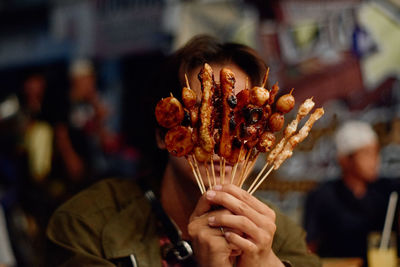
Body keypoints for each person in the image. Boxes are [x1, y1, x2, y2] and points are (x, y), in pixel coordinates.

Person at [46, 35, 321, 267]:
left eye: (244, 118)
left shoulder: (276, 234)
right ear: (163, 134)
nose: (223, 140)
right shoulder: (86, 224)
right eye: (204, 117)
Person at [304, 120, 399, 263]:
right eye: (366, 154)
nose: (375, 161)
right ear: (345, 160)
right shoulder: (322, 195)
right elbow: (309, 246)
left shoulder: (388, 190)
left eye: (376, 153)